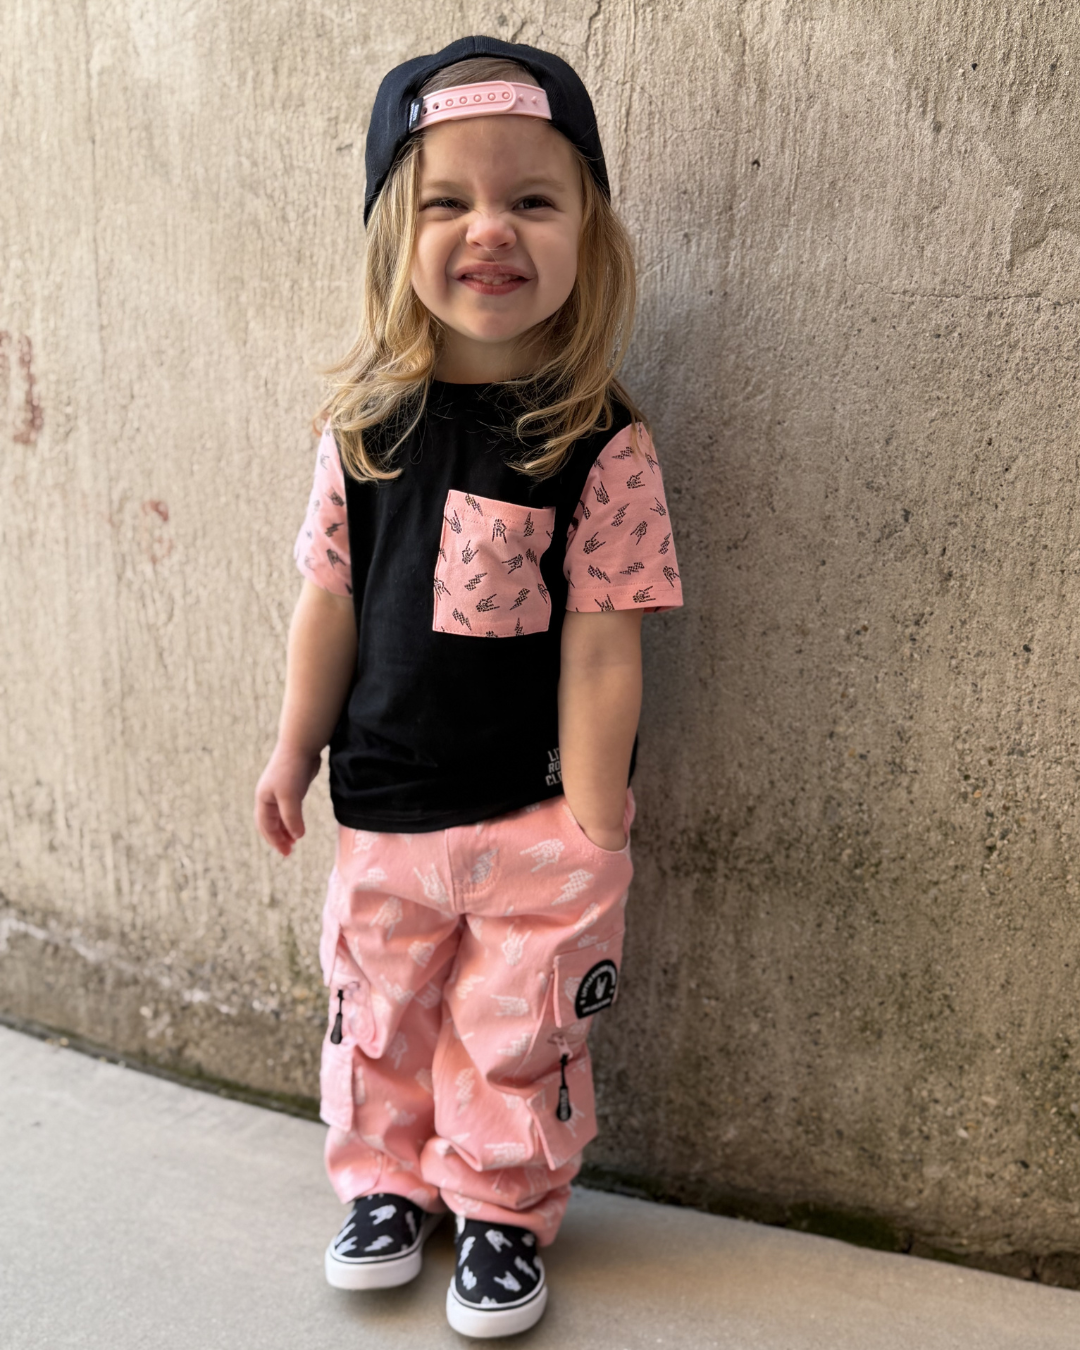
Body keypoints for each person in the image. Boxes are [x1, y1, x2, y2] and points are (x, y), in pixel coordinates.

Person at [254, 35, 683, 1339]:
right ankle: (387, 1180)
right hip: (384, 806)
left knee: (520, 1022)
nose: (489, 228)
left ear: (587, 233)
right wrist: (292, 752)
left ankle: (501, 1201)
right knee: (380, 1011)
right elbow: (327, 600)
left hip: (535, 817)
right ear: (397, 229)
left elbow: (608, 634)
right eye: (448, 199)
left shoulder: (600, 437)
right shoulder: (366, 430)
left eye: (532, 199)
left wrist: (597, 811)